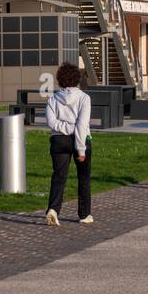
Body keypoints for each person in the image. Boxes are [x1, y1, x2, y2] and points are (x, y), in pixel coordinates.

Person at [44, 62, 92, 226]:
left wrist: (65, 128)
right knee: (83, 178)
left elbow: (52, 123)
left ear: (60, 80)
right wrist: (81, 149)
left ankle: (53, 209)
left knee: (59, 176)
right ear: (77, 79)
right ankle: (84, 214)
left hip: (58, 141)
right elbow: (82, 125)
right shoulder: (84, 98)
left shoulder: (52, 99)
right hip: (81, 141)